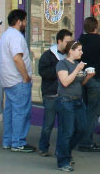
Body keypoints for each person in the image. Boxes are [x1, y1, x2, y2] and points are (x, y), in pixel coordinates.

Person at [0, 9, 36, 153]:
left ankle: (9, 140)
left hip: (8, 80)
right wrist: (25, 76)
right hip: (17, 80)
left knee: (10, 111)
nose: (26, 23)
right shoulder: (16, 36)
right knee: (21, 112)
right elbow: (17, 58)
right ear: (19, 21)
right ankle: (18, 142)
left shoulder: (6, 35)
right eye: (25, 21)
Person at [56, 40, 96, 172]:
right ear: (71, 51)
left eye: (81, 50)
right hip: (66, 100)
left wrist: (88, 77)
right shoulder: (62, 64)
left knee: (82, 129)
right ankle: (63, 161)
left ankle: (65, 151)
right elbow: (65, 82)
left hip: (78, 100)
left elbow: (80, 83)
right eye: (79, 50)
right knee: (67, 131)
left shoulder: (78, 64)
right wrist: (78, 70)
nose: (81, 52)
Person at [78, 16, 100, 152]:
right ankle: (86, 142)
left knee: (87, 110)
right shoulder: (99, 41)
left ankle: (83, 139)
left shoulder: (80, 40)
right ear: (96, 27)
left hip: (84, 77)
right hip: (97, 78)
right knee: (93, 112)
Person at [37, 28, 73, 156]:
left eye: (71, 42)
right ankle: (43, 147)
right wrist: (60, 71)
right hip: (51, 94)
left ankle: (61, 151)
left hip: (65, 95)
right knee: (48, 124)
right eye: (67, 42)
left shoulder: (70, 56)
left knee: (64, 126)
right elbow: (43, 72)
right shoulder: (48, 55)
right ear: (59, 41)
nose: (69, 45)